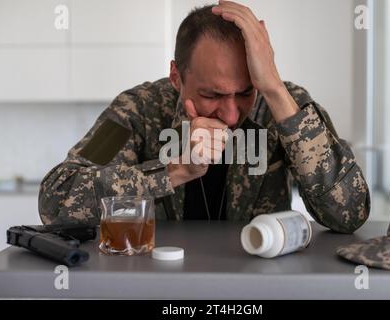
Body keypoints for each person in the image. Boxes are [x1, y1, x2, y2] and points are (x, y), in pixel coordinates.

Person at [38, 1, 370, 233]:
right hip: (160, 283)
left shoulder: (285, 104)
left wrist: (272, 88)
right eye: (211, 95)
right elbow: (57, 201)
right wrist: (175, 170)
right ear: (176, 76)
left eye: (245, 92)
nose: (229, 114)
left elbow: (349, 215)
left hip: (260, 282)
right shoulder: (137, 109)